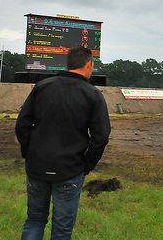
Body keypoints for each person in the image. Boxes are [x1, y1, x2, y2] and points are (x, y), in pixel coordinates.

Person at [16, 46, 111, 240]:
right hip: (70, 170)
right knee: (62, 230)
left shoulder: (42, 87)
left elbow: (22, 125)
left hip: (37, 166)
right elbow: (101, 136)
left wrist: (29, 152)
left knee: (34, 220)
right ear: (88, 65)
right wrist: (86, 165)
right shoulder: (93, 94)